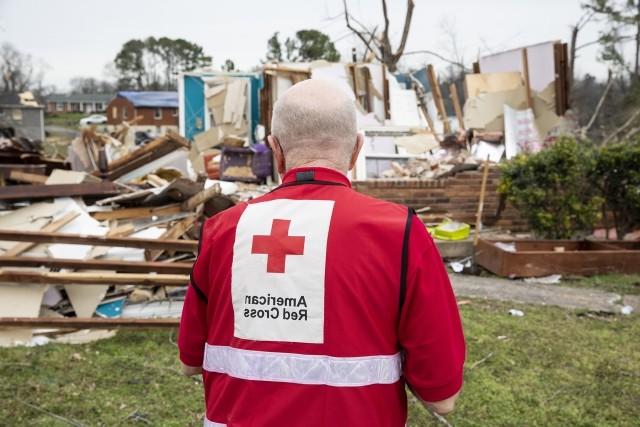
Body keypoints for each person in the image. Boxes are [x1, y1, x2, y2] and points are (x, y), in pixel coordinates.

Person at [178, 79, 465, 426]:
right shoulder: (398, 232)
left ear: (276, 150)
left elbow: (190, 362)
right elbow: (442, 399)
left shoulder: (222, 230)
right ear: (357, 150)